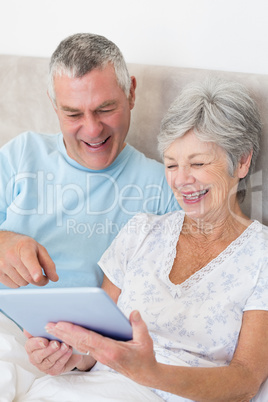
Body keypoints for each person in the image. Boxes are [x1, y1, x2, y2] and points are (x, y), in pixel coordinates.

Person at [24, 78, 268, 401]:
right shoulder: (140, 232)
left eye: (197, 163)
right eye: (171, 164)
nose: (181, 180)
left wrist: (152, 374)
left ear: (241, 161)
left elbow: (246, 380)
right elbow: (95, 348)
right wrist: (67, 358)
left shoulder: (261, 255)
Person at [0, 33, 178, 290]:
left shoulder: (163, 186)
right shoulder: (23, 153)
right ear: (54, 105)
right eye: (73, 114)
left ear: (131, 93)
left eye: (105, 109)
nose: (93, 130)